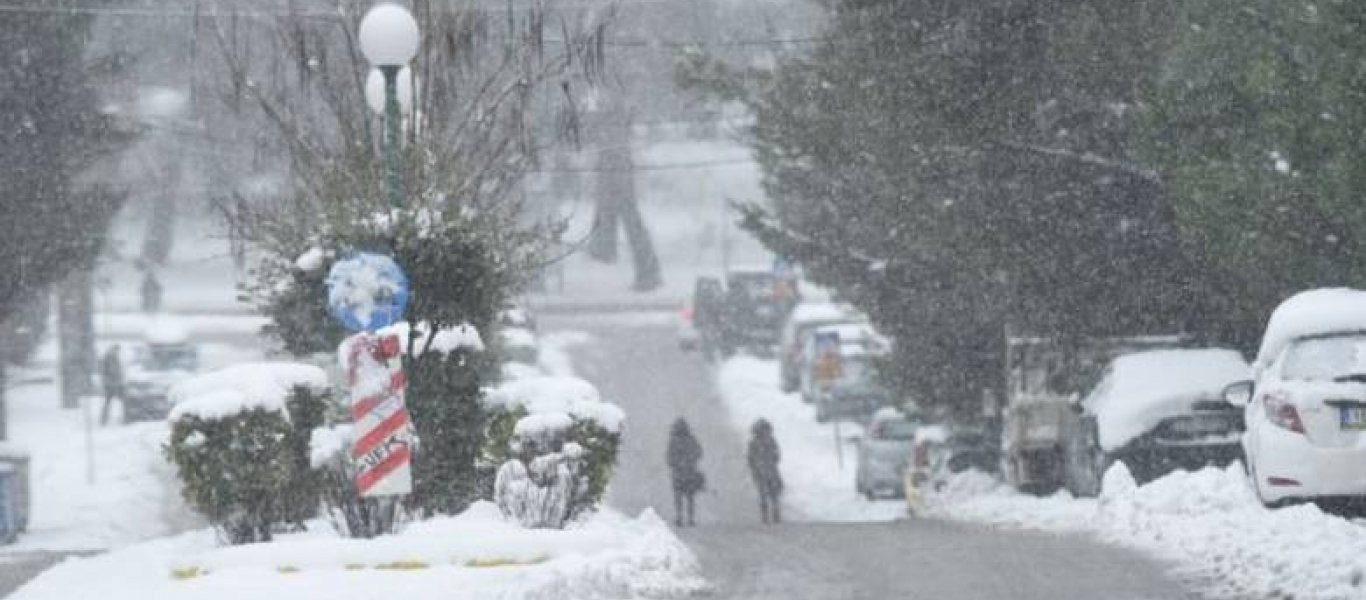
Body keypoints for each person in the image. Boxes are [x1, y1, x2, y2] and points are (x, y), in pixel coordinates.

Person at [666, 418, 704, 527]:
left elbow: (669, 457)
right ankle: (689, 518)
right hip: (689, 473)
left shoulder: (673, 441)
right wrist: (690, 461)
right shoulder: (690, 439)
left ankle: (680, 517)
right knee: (689, 497)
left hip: (678, 473)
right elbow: (699, 452)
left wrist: (676, 463)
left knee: (679, 497)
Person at [747, 418, 783, 524]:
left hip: (765, 470)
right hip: (767, 470)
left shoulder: (759, 442)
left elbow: (750, 458)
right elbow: (776, 455)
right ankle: (770, 515)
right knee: (769, 494)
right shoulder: (765, 441)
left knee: (769, 494)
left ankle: (769, 515)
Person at [99, 345, 124, 425]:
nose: (118, 352)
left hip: (111, 383)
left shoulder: (110, 357)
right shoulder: (110, 358)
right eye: (117, 350)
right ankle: (104, 419)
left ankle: (104, 419)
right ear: (113, 349)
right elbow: (113, 371)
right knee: (119, 401)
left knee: (109, 402)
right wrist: (118, 380)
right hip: (112, 384)